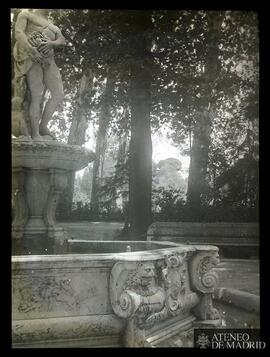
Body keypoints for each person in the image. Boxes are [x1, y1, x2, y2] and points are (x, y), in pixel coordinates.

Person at [13, 9, 66, 140]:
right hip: (32, 58)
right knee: (36, 95)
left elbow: (62, 40)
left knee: (58, 94)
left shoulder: (53, 26)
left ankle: (43, 126)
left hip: (49, 60)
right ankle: (35, 133)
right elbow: (19, 33)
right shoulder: (26, 14)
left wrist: (51, 43)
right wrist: (32, 50)